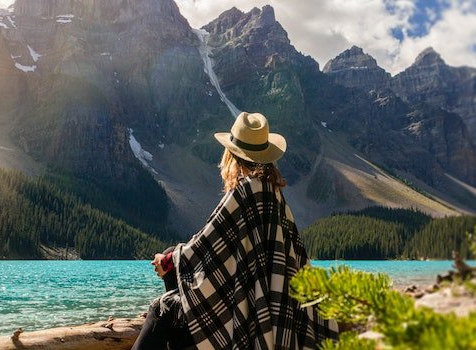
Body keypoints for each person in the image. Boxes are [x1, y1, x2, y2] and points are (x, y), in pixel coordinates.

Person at [133, 112, 338, 350]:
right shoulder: (273, 193)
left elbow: (206, 243)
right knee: (174, 260)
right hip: (271, 307)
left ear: (232, 155)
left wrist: (168, 261)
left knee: (161, 309)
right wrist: (173, 257)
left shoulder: (245, 191)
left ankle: (189, 336)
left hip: (243, 314)